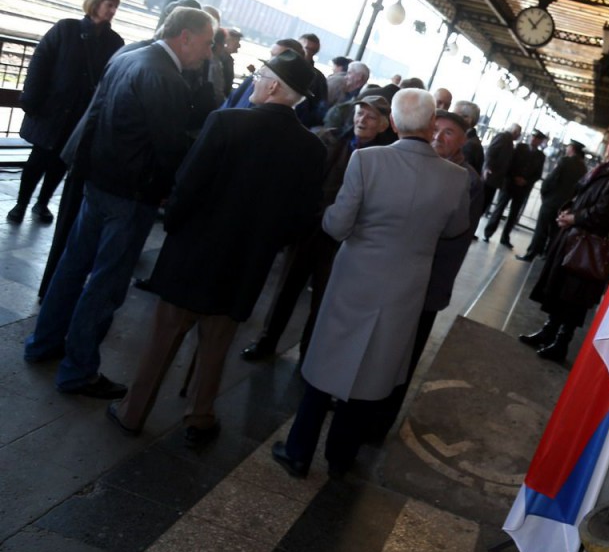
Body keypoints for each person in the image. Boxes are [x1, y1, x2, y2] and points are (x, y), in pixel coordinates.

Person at [107, 51, 325, 445]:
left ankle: (133, 412)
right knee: (217, 343)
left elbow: (188, 185)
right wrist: (264, 245)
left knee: (164, 338)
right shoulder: (312, 149)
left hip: (194, 253)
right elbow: (301, 218)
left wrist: (175, 228)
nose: (255, 79)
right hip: (245, 266)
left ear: (274, 86)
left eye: (260, 74)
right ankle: (200, 416)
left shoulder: (226, 122)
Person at [271, 89, 470, 479]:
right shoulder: (456, 178)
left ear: (393, 122)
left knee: (328, 358)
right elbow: (455, 228)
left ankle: (298, 451)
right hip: (406, 286)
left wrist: (333, 215)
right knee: (375, 368)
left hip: (355, 277)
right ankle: (341, 458)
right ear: (432, 124)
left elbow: (338, 225)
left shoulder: (367, 160)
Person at [24, 7, 215, 398]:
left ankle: (42, 344)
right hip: (131, 196)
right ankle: (78, 371)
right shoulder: (167, 78)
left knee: (71, 268)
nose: (209, 52)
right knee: (106, 285)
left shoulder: (129, 57)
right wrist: (173, 189)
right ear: (186, 37)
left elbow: (94, 118)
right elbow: (169, 149)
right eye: (208, 42)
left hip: (98, 183)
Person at [241, 94, 397, 362]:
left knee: (325, 298)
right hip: (309, 228)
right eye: (360, 113)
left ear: (383, 125)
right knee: (286, 288)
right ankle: (266, 342)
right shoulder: (331, 139)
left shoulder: (384, 159)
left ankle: (309, 354)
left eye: (371, 117)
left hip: (343, 238)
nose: (362, 120)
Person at [365, 108, 485, 442]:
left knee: (404, 357)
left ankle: (377, 425)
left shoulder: (468, 180)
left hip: (426, 284)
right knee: (380, 346)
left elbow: (454, 238)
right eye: (436, 129)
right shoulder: (421, 164)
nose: (438, 137)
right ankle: (359, 408)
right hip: (396, 276)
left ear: (462, 142)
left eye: (449, 133)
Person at [520, 128, 609, 362]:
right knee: (562, 290)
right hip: (576, 237)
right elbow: (583, 196)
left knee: (573, 297)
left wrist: (575, 218)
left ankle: (561, 343)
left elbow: (605, 211)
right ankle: (549, 331)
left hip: (587, 242)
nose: (607, 146)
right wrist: (567, 212)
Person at [8, 0, 124, 225]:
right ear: (95, 3)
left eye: (115, 7)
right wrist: (31, 99)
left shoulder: (114, 42)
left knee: (61, 162)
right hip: (53, 109)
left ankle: (42, 203)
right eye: (109, 4)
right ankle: (21, 203)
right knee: (38, 159)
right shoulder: (66, 28)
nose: (113, 10)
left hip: (81, 113)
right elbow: (40, 63)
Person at [518, 139, 587, 261]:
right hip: (564, 205)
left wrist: (544, 192)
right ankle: (547, 255)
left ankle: (532, 253)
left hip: (551, 201)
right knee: (555, 232)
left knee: (541, 229)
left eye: (568, 147)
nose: (566, 149)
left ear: (572, 149)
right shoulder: (583, 169)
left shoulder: (565, 161)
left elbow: (551, 178)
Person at [483, 129, 547, 247]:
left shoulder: (541, 156)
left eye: (537, 138)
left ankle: (505, 237)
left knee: (514, 214)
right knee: (499, 209)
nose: (533, 139)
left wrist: (526, 181)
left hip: (523, 189)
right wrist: (514, 177)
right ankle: (488, 233)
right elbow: (509, 163)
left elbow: (538, 174)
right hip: (509, 184)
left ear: (540, 141)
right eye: (533, 137)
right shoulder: (519, 147)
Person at [481, 122, 520, 212]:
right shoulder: (503, 137)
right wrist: (487, 167)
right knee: (482, 202)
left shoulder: (509, 141)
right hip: (490, 176)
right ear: (514, 132)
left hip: (495, 179)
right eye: (519, 134)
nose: (519, 136)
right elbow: (490, 151)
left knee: (485, 202)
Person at [453, 100, 483, 175]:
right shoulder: (470, 140)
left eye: (454, 115)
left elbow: (459, 173)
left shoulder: (469, 145)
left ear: (468, 119)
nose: (451, 118)